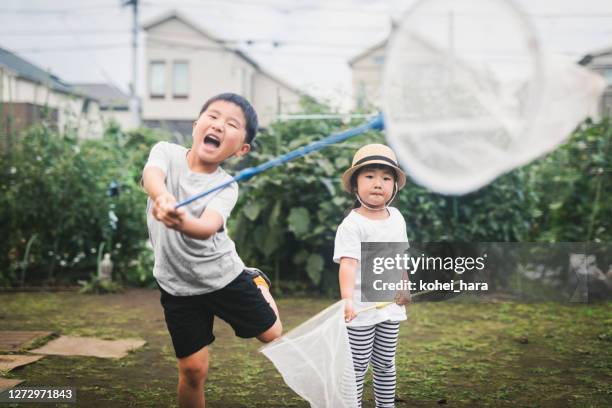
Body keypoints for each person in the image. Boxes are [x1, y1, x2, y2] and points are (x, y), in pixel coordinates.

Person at [142, 92, 282, 408]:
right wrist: (163, 197)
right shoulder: (166, 152)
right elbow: (152, 176)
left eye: (231, 124)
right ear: (196, 125)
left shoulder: (226, 186)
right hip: (178, 286)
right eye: (213, 116)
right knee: (193, 371)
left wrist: (179, 221)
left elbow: (206, 228)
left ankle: (257, 281)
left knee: (273, 334)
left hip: (223, 276)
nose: (218, 125)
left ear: (241, 149)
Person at [333, 144, 410, 408]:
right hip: (360, 310)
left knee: (386, 363)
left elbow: (400, 257)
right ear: (355, 185)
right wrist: (347, 301)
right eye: (369, 176)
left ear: (394, 187)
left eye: (386, 178)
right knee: (356, 366)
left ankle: (385, 406)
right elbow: (348, 264)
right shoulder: (352, 224)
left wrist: (404, 285)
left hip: (390, 306)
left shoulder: (397, 218)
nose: (378, 183)